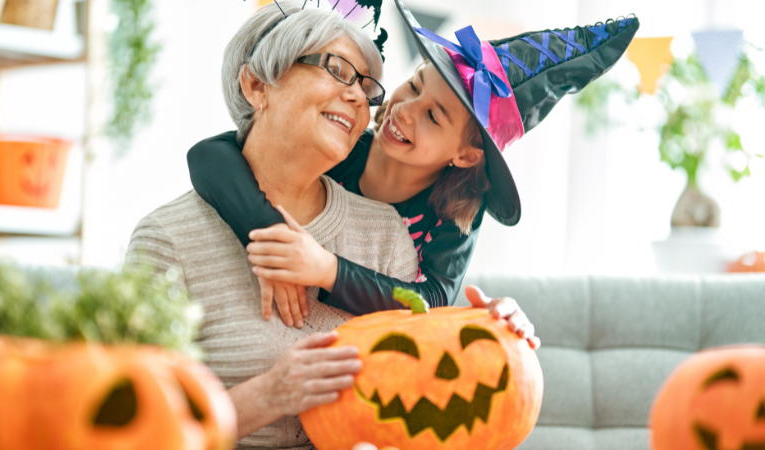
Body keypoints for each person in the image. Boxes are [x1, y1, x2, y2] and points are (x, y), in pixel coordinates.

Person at [186, 0, 640, 326]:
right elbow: (211, 155)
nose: (405, 109)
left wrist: (325, 269)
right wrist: (272, 237)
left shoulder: (454, 215)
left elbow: (433, 301)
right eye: (415, 85)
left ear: (465, 154)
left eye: (433, 115)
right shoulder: (341, 149)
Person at [125, 4, 420, 447]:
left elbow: (422, 386)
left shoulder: (384, 235)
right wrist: (271, 393)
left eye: (366, 85)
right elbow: (137, 426)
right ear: (256, 86)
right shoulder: (167, 241)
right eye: (337, 69)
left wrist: (496, 324)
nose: (358, 97)